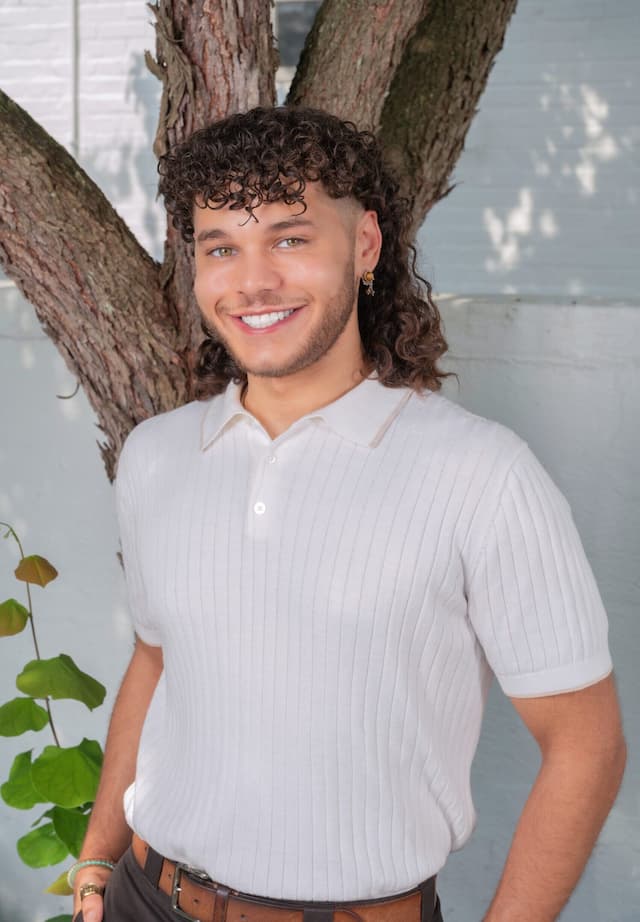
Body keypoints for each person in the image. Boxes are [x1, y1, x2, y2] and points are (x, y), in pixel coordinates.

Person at [71, 106, 625, 922]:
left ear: (364, 245)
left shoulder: (481, 473)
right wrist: (94, 866)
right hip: (143, 901)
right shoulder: (156, 457)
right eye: (221, 247)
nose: (252, 280)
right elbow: (155, 662)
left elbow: (588, 745)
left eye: (290, 239)